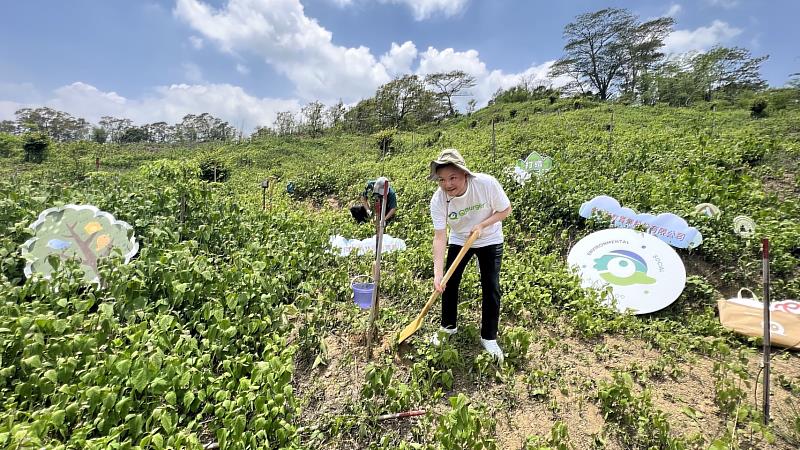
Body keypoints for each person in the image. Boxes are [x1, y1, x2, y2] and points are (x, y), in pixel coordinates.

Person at [428, 149, 511, 363]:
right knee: (449, 282)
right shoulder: (438, 200)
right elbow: (439, 237)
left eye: (452, 177)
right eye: (442, 180)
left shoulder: (486, 184)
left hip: (489, 237)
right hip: (459, 238)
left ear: (465, 174)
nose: (448, 184)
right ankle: (448, 327)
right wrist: (438, 275)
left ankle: (489, 337)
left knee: (490, 285)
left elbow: (505, 210)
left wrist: (483, 225)